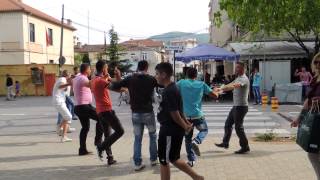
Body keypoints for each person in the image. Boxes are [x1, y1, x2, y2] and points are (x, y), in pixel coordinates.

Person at [155, 62, 204, 180]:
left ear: (164, 74)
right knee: (173, 158)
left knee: (164, 160)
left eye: (157, 74)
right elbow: (179, 110)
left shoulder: (169, 91)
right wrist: (186, 123)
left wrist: (185, 126)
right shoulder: (173, 88)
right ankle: (196, 177)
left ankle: (196, 177)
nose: (155, 76)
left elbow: (175, 114)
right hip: (171, 130)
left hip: (169, 131)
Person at [112, 60, 158, 171]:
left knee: (137, 138)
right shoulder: (151, 79)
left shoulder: (130, 79)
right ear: (146, 68)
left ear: (137, 67)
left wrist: (118, 78)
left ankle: (137, 163)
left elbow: (115, 86)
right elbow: (161, 85)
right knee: (152, 136)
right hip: (148, 112)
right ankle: (153, 159)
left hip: (135, 113)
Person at [177, 67, 218, 167]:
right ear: (196, 76)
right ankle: (197, 141)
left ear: (186, 75)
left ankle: (191, 160)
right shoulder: (201, 84)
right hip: (197, 115)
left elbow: (173, 91)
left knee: (187, 139)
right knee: (204, 130)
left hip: (185, 117)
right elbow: (214, 96)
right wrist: (216, 91)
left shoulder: (181, 83)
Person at [292, 53, 320, 180]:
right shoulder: (315, 79)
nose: (318, 64)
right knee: (313, 153)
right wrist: (299, 118)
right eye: (316, 62)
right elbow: (307, 101)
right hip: (316, 120)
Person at [91, 60, 123, 165]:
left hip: (100, 111)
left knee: (108, 135)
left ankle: (110, 157)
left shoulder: (96, 79)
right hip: (106, 111)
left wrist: (117, 76)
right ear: (104, 68)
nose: (108, 69)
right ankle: (101, 147)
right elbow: (118, 89)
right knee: (120, 131)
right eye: (107, 67)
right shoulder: (101, 81)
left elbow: (115, 81)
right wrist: (127, 88)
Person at [215, 62, 250, 154]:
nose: (236, 69)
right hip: (236, 106)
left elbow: (234, 86)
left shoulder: (244, 79)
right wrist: (221, 88)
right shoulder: (238, 78)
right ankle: (225, 143)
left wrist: (222, 89)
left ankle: (245, 146)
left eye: (238, 68)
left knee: (238, 128)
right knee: (228, 124)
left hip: (241, 107)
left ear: (243, 69)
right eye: (236, 67)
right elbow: (230, 84)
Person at [73, 63, 104, 156]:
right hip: (84, 106)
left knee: (85, 128)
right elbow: (91, 85)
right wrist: (97, 77)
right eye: (90, 69)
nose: (91, 71)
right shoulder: (83, 78)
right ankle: (97, 141)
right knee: (101, 118)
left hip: (79, 107)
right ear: (86, 70)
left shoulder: (78, 77)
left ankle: (82, 150)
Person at [52, 70, 72, 142]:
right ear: (67, 75)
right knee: (68, 116)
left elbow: (64, 89)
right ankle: (62, 134)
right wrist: (69, 84)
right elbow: (61, 86)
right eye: (70, 76)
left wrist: (68, 84)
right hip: (59, 102)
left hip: (60, 101)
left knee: (66, 117)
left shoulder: (62, 80)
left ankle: (60, 129)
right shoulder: (62, 79)